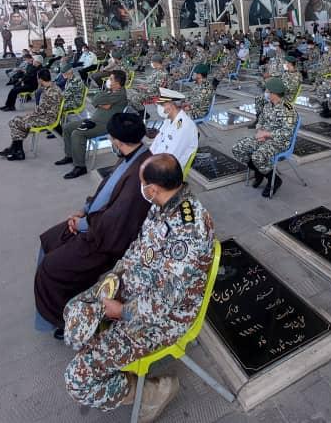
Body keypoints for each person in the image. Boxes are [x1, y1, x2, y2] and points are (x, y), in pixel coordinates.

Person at [62, 154, 214, 421]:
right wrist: (115, 277)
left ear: (153, 189)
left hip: (164, 318)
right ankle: (100, 348)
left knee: (78, 381)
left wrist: (122, 311)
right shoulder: (162, 203)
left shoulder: (189, 229)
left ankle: (154, 393)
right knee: (73, 311)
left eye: (143, 184)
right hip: (135, 288)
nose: (141, 188)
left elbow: (165, 300)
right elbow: (139, 248)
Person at [35, 113, 152, 336]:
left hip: (103, 241)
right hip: (92, 223)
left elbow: (115, 222)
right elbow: (106, 190)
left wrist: (81, 224)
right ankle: (67, 304)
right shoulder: (132, 154)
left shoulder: (139, 173)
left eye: (111, 138)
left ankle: (65, 321)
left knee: (50, 268)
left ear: (117, 141)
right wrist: (84, 209)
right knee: (48, 240)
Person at [232, 77, 297, 198]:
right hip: (263, 137)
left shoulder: (288, 110)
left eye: (267, 91)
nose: (265, 93)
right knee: (238, 148)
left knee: (257, 156)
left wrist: (266, 134)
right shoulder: (268, 105)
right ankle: (260, 171)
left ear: (274, 93)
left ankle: (274, 180)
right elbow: (260, 120)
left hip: (279, 142)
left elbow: (287, 133)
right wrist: (260, 131)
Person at [56, 69, 128, 178]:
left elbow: (100, 102)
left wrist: (102, 103)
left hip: (105, 124)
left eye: (111, 79)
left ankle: (80, 166)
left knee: (78, 134)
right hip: (94, 120)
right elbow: (95, 100)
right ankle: (70, 155)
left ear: (117, 83)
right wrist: (103, 102)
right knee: (67, 127)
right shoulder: (110, 91)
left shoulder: (120, 94)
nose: (108, 80)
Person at [0, 69, 61, 161]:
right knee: (16, 120)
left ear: (40, 79)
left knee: (15, 122)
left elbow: (42, 110)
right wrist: (31, 115)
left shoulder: (51, 92)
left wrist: (30, 115)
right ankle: (16, 149)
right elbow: (43, 108)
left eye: (37, 78)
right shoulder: (51, 87)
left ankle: (17, 151)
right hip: (45, 116)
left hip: (47, 119)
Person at [148, 88, 199, 168]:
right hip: (157, 161)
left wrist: (149, 165)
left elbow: (171, 156)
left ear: (171, 105)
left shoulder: (185, 126)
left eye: (162, 105)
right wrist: (147, 158)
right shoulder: (168, 121)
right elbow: (156, 143)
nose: (159, 108)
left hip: (168, 168)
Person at [252, 54, 299, 127]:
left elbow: (288, 89)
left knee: (261, 99)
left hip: (285, 96)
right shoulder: (287, 72)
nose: (284, 64)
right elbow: (280, 80)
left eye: (286, 63)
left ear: (289, 64)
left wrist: (273, 89)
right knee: (260, 96)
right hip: (280, 93)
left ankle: (262, 120)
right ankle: (260, 120)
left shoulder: (295, 76)